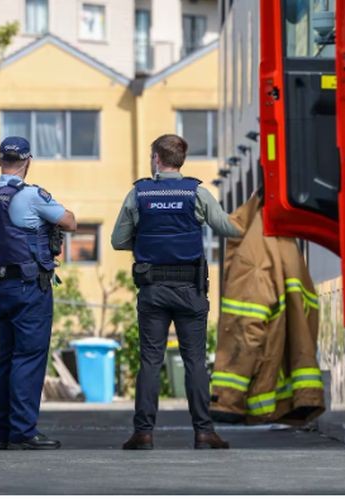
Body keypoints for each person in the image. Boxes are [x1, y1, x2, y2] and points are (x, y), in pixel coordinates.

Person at [111, 134, 242, 450]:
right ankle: (204, 432)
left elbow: (117, 240)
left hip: (153, 289)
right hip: (190, 290)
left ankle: (143, 433)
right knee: (195, 361)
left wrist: (145, 243)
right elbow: (228, 228)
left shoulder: (139, 194)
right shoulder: (196, 192)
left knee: (151, 361)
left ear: (156, 158)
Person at [0, 137, 76, 450]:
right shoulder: (30, 195)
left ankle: (4, 432)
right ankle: (23, 432)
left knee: (6, 357)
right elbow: (69, 221)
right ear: (27, 161)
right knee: (29, 357)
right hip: (29, 286)